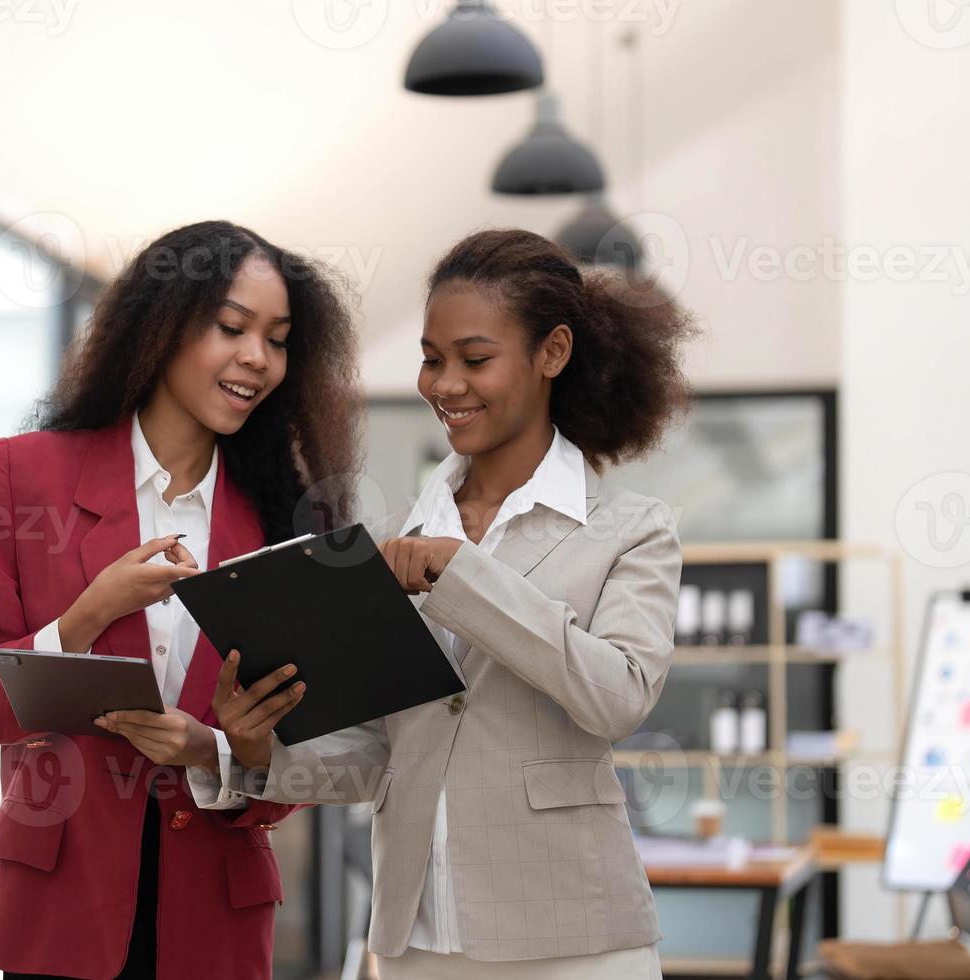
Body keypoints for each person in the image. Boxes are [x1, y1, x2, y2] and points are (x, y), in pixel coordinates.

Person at [205, 228, 697, 978]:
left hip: (576, 940)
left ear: (552, 353)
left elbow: (617, 697)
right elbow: (378, 757)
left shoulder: (630, 531)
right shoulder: (388, 538)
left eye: (474, 359)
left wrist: (462, 577)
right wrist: (260, 751)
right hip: (416, 941)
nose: (445, 384)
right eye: (432, 359)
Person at [0, 219, 363, 979]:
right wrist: (88, 615)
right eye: (232, 327)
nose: (256, 360)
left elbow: (307, 759)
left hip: (214, 925)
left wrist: (223, 752)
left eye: (277, 339)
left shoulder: (289, 522)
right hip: (61, 915)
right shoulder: (21, 477)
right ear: (162, 325)